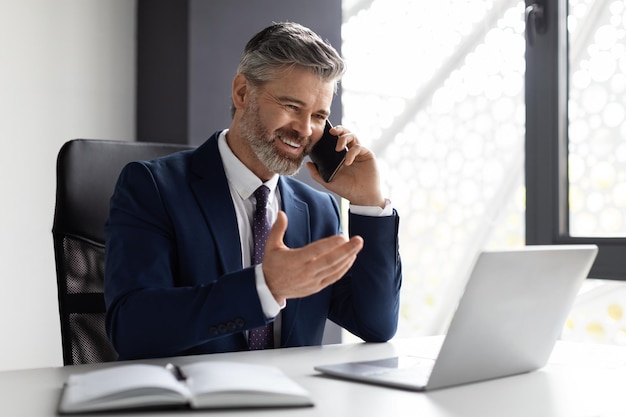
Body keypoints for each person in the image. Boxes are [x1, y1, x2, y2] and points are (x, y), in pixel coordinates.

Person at [104, 22, 402, 360]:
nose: (305, 129)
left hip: (294, 405)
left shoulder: (318, 210)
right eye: (292, 106)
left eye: (319, 115)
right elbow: (132, 329)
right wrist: (265, 288)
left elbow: (377, 326)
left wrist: (368, 203)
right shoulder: (153, 187)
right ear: (243, 93)